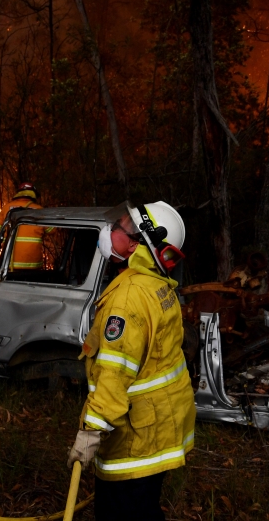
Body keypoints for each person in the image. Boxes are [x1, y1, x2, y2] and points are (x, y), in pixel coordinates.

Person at [67, 201, 193, 521]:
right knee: (144, 508)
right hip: (161, 426)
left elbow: (113, 373)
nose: (110, 231)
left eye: (119, 227)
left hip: (138, 438)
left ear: (137, 244)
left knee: (122, 512)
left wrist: (91, 431)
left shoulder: (127, 298)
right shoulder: (158, 287)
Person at [0, 182, 50, 271]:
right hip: (33, 265)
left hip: (9, 263)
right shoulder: (39, 210)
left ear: (19, 193)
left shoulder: (7, 208)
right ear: (33, 194)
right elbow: (52, 230)